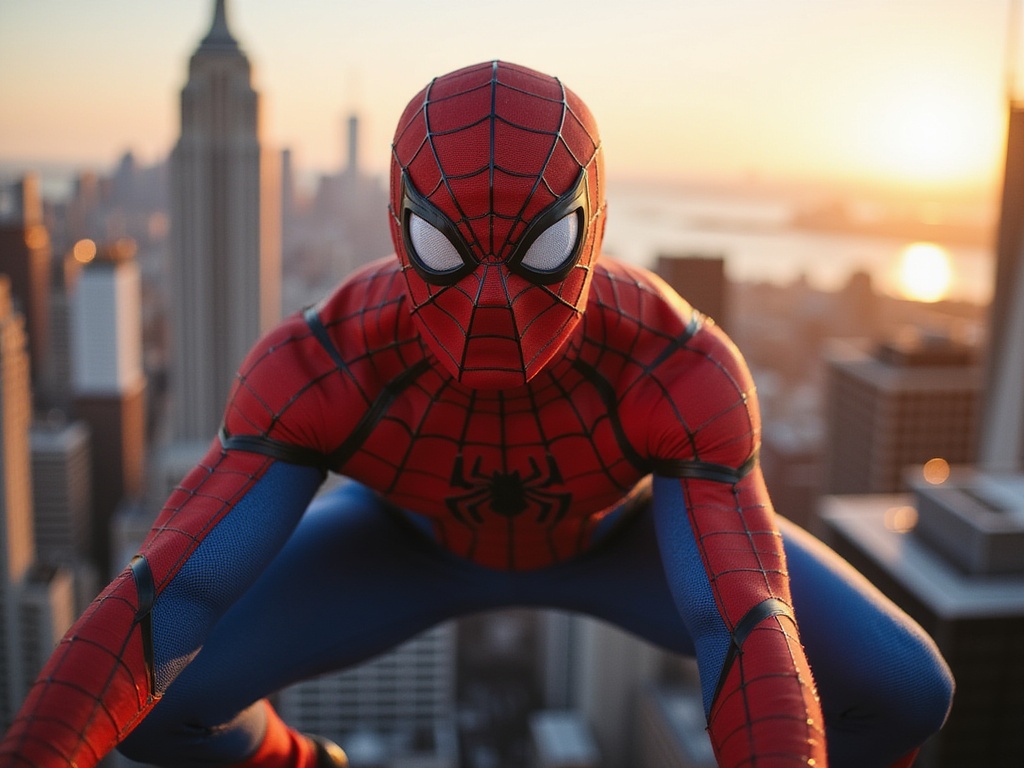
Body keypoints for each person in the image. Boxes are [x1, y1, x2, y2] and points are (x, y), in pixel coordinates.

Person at [0, 60, 952, 768]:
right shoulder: (322, 359)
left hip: (622, 539)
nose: (493, 306)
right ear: (399, 225)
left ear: (594, 222)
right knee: (163, 710)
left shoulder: (680, 361)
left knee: (906, 689)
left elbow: (745, 616)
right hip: (401, 543)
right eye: (447, 246)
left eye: (539, 248)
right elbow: (171, 592)